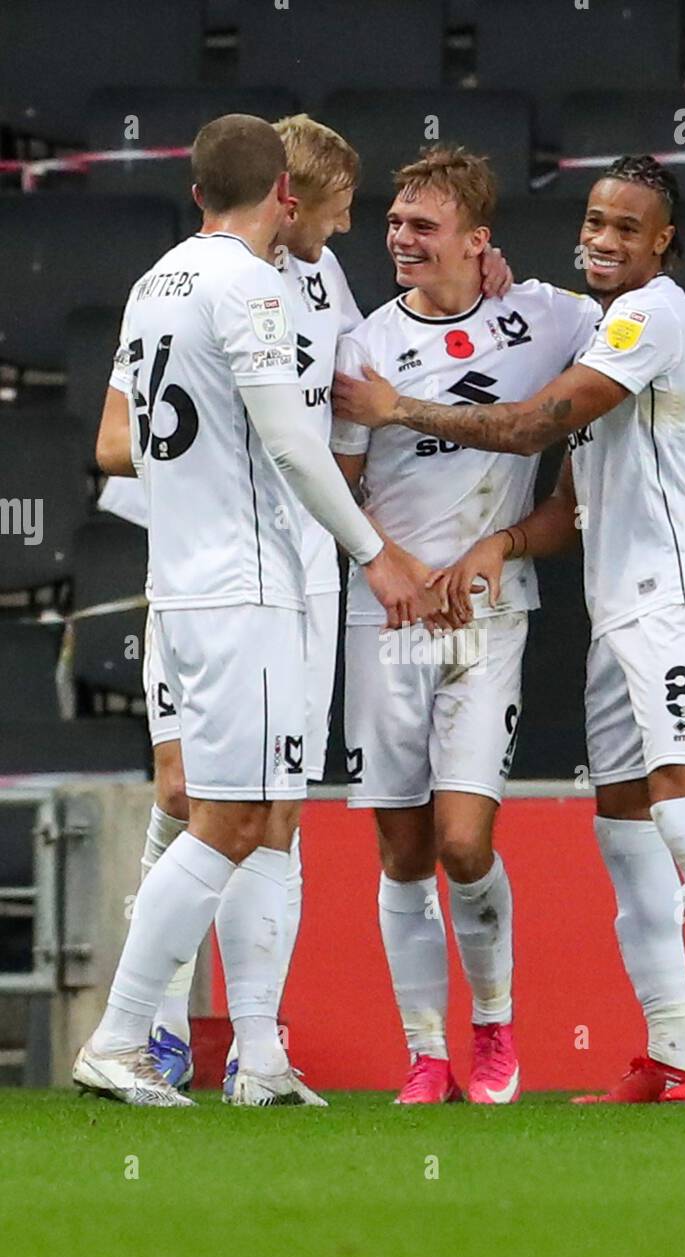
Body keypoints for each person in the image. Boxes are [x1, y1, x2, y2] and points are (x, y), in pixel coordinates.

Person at [333, 154, 685, 1105]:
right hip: (616, 603)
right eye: (594, 222)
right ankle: (668, 1046)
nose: (603, 239)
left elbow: (538, 424)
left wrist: (399, 408)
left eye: (627, 228)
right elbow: (572, 497)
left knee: (683, 804)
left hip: (683, 594)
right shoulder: (602, 325)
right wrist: (504, 537)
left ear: (662, 242)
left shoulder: (652, 313)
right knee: (623, 826)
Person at [97, 116, 511, 1103]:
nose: (357, 226)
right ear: (288, 194)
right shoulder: (241, 286)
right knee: (208, 805)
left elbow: (366, 376)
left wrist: (490, 295)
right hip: (233, 572)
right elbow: (232, 441)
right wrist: (370, 547)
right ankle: (138, 1032)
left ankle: (254, 1053)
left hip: (269, 577)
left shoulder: (235, 280)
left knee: (268, 811)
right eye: (343, 206)